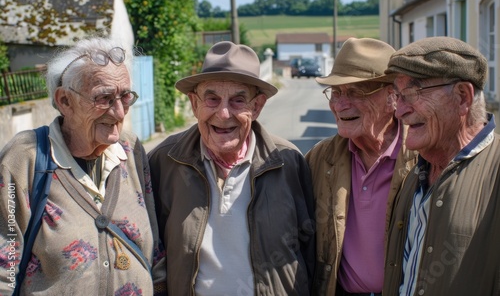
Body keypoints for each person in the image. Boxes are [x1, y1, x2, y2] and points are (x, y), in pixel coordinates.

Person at [0, 36, 167, 295]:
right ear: (65, 100)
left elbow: (155, 249)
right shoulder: (25, 157)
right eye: (104, 98)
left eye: (125, 97)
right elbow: (4, 267)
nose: (119, 112)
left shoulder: (130, 150)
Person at [148, 41, 316, 295]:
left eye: (238, 101)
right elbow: (151, 252)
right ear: (195, 104)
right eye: (212, 99)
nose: (224, 113)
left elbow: (311, 250)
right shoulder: (164, 161)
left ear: (257, 106)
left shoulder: (287, 161)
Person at [382, 36, 500, 295]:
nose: (399, 111)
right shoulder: (416, 171)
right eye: (397, 96)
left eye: (412, 93)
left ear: (462, 97)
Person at [305, 37, 418, 295]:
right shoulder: (319, 159)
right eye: (336, 93)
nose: (340, 105)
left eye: (356, 92)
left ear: (393, 98)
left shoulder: (422, 156)